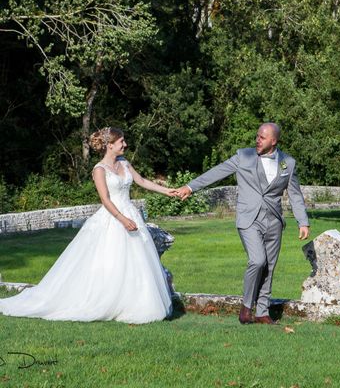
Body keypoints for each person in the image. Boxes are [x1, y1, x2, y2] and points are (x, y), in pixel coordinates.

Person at [0, 127, 176, 324]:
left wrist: (167, 191)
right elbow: (105, 199)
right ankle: (105, 301)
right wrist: (122, 219)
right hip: (113, 218)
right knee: (110, 262)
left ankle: (135, 304)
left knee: (136, 262)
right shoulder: (99, 170)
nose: (125, 145)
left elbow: (142, 181)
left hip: (130, 213)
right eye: (121, 142)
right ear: (110, 145)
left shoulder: (124, 163)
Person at [175, 122, 310, 325]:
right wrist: (190, 187)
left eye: (262, 137)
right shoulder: (243, 156)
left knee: (269, 267)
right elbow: (217, 172)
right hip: (249, 219)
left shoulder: (288, 163)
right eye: (257, 136)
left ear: (274, 141)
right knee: (257, 261)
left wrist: (303, 222)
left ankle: (263, 312)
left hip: (274, 220)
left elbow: (295, 194)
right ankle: (246, 308)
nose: (257, 140)